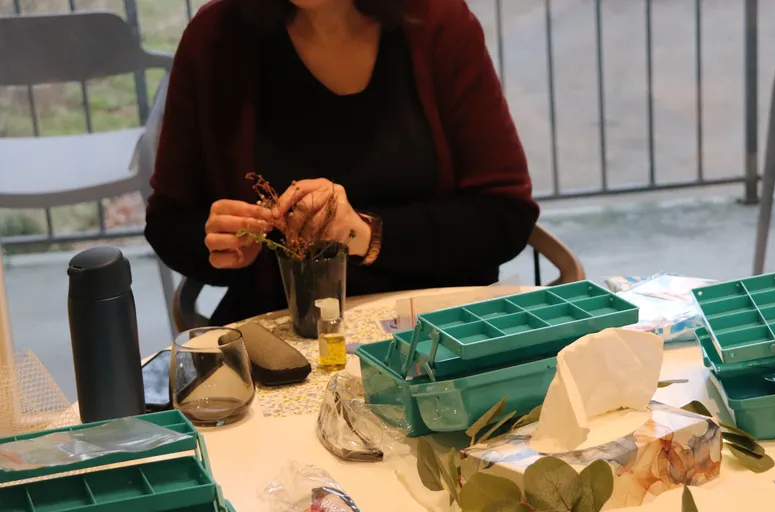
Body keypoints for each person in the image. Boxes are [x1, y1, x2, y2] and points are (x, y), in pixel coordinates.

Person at [145, 0, 539, 326]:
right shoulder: (216, 38)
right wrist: (219, 243)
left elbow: (504, 215)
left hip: (439, 327)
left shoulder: (436, 23)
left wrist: (364, 234)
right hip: (284, 333)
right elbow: (168, 223)